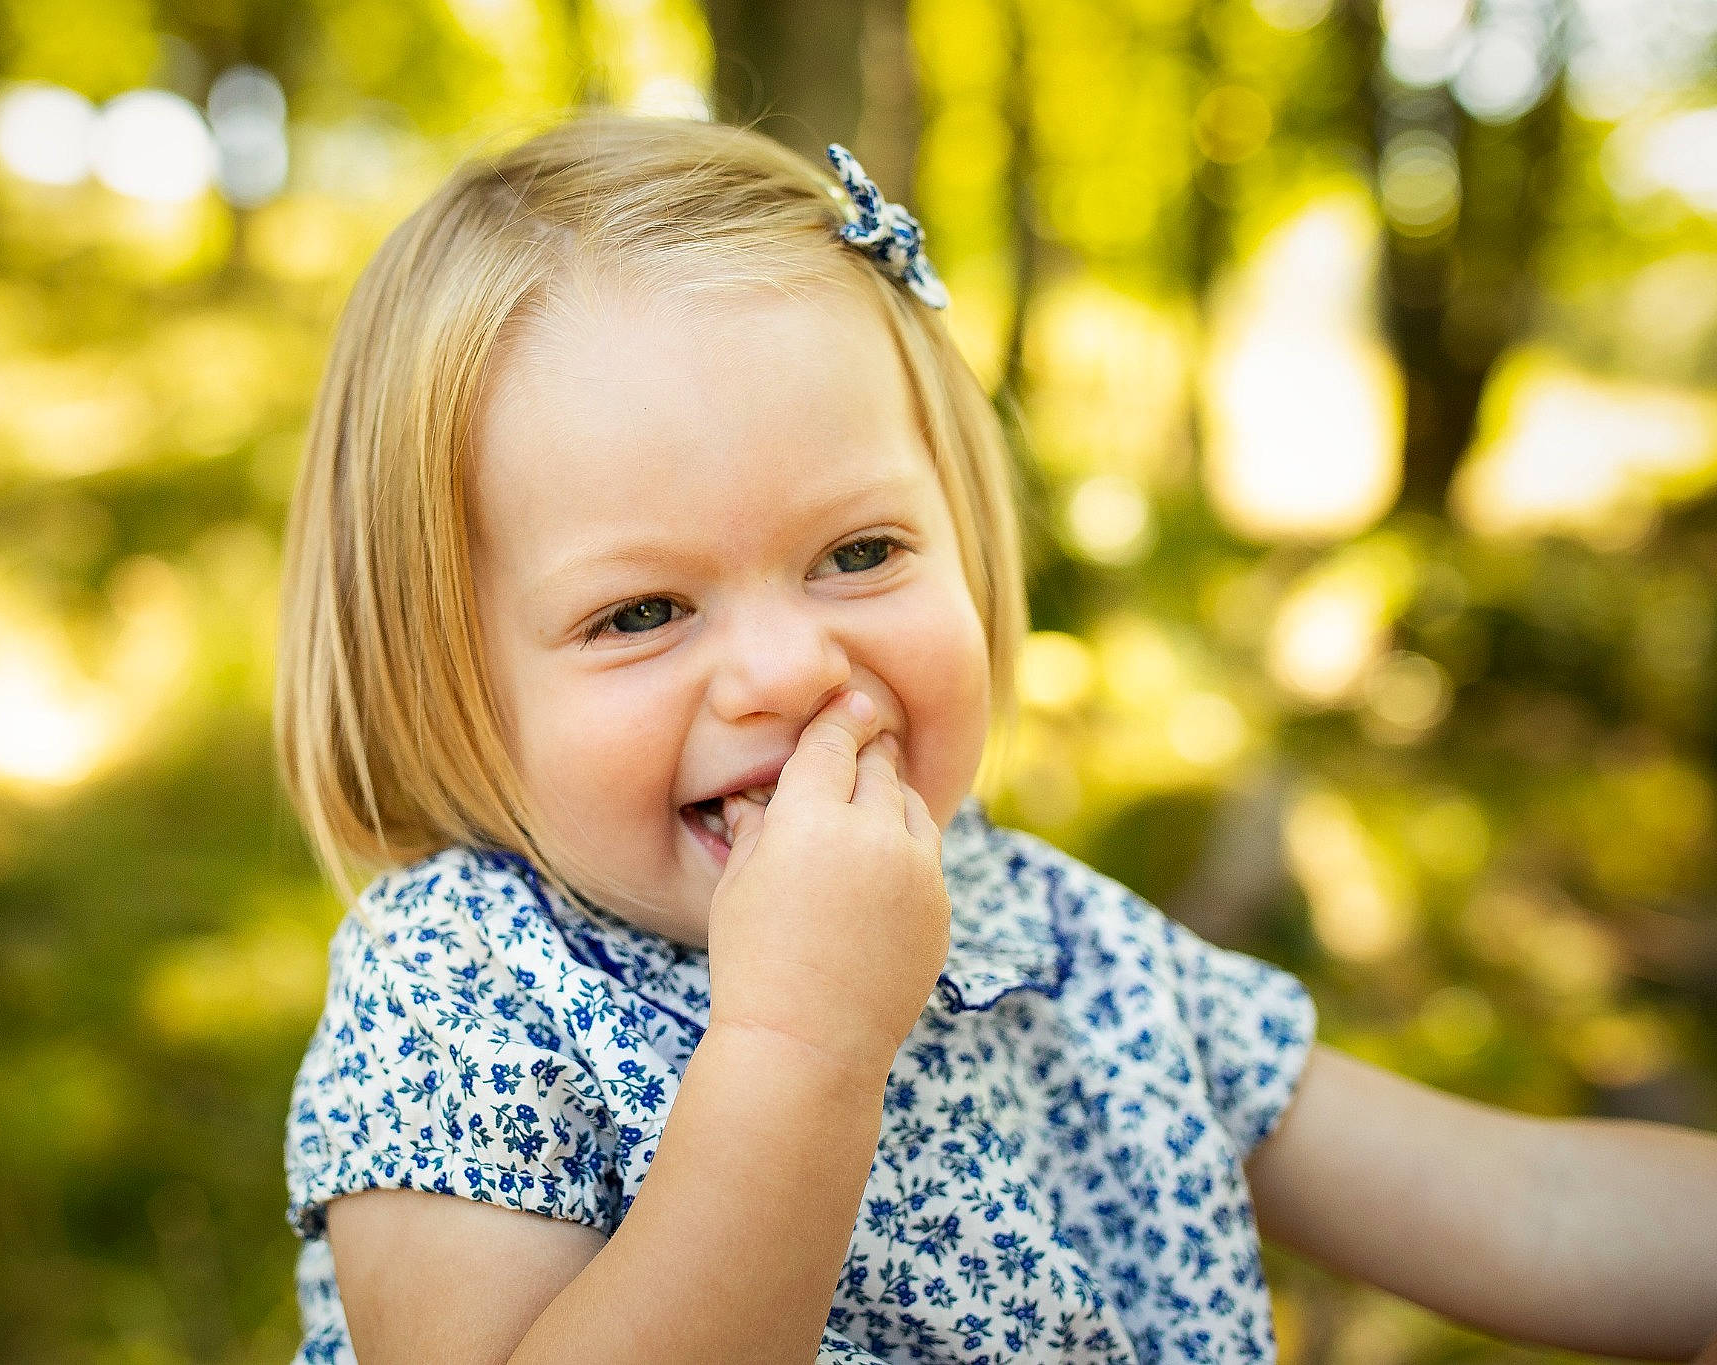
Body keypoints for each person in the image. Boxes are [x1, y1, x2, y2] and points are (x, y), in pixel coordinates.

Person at [272, 112, 1717, 1364]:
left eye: (859, 553)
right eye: (641, 610)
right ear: (440, 677)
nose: (790, 669)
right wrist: (801, 1045)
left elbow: (1529, 1207)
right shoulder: (460, 991)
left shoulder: (1047, 932)